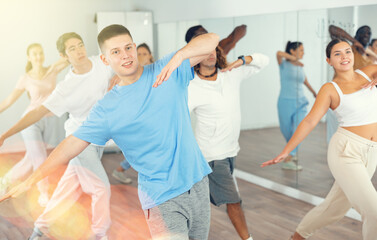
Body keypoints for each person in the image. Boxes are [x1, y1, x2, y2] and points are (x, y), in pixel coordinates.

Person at [2, 24, 219, 240]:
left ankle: (45, 228)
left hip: (198, 182)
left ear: (134, 47)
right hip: (162, 198)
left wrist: (180, 55)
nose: (125, 56)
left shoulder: (167, 70)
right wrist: (31, 180)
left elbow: (212, 40)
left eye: (127, 48)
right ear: (105, 59)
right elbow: (71, 144)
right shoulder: (106, 109)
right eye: (116, 52)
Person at [0, 32, 116, 240]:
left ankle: (40, 229)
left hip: (99, 138)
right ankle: (99, 235)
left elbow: (119, 71)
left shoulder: (101, 62)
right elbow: (36, 112)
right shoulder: (66, 87)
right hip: (79, 140)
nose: (79, 51)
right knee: (100, 187)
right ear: (64, 56)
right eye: (72, 49)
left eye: (80, 45)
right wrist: (7, 134)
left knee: (68, 188)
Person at [262, 39, 377, 240]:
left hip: (371, 151)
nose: (344, 57)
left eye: (347, 52)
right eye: (337, 54)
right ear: (329, 60)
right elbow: (309, 122)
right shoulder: (330, 89)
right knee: (374, 211)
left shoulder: (368, 72)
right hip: (346, 152)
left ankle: (297, 237)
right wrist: (286, 151)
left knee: (335, 207)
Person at [187, 30, 269, 239]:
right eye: (204, 50)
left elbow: (263, 61)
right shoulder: (191, 87)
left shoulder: (231, 74)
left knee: (204, 200)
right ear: (194, 55)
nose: (211, 53)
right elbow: (176, 118)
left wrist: (242, 61)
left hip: (231, 150)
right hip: (211, 155)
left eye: (213, 48)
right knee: (233, 200)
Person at [0, 43, 68, 206]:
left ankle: (4, 181)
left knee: (30, 160)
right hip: (30, 122)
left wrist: (64, 55)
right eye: (34, 54)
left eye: (40, 53)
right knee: (40, 158)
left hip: (49, 120)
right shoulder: (25, 78)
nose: (38, 57)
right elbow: (9, 100)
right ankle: (43, 194)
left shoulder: (52, 70)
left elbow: (69, 60)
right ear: (29, 57)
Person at [111, 42, 155, 185]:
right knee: (143, 149)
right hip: (138, 119)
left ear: (150, 56)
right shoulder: (131, 74)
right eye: (139, 54)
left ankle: (121, 169)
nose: (142, 56)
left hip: (154, 117)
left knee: (144, 149)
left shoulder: (156, 71)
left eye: (144, 54)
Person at [276, 41, 317, 170]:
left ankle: (288, 157)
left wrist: (314, 92)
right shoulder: (283, 64)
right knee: (287, 131)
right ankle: (290, 153)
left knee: (299, 130)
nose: (303, 53)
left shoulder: (300, 67)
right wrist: (294, 59)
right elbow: (278, 53)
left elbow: (305, 81)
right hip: (285, 102)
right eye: (301, 50)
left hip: (301, 102)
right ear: (293, 51)